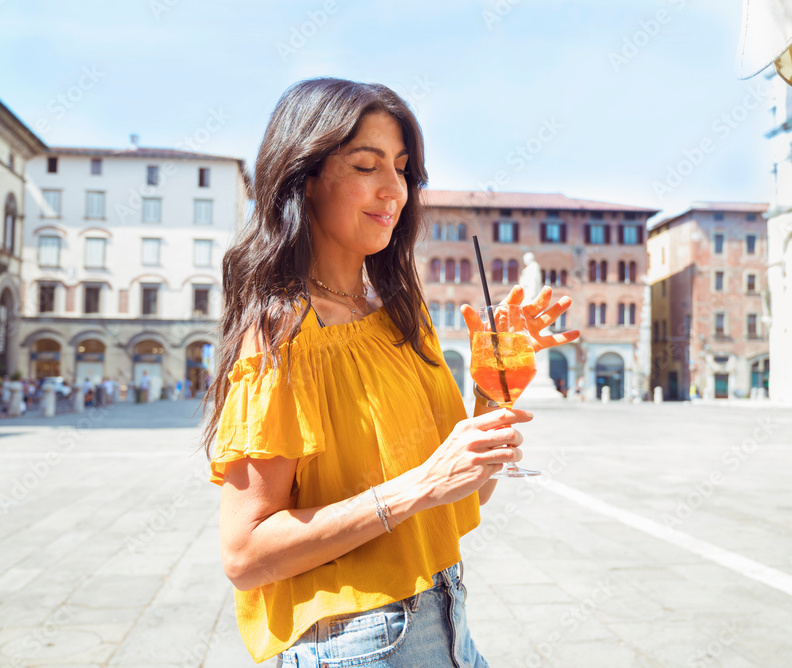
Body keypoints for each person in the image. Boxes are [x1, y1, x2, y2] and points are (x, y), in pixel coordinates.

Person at [200, 78, 578, 666]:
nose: (393, 191)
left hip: (448, 616)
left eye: (402, 169)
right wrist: (419, 485)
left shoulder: (402, 313)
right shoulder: (280, 337)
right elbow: (245, 555)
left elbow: (467, 491)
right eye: (365, 166)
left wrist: (492, 387)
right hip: (354, 644)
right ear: (305, 177)